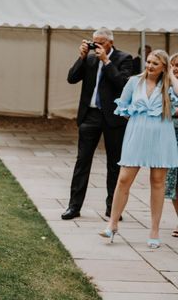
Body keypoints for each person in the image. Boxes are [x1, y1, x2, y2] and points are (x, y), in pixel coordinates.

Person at [99, 50, 178, 248]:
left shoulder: (168, 85)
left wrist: (170, 75)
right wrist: (138, 122)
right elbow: (123, 106)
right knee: (124, 179)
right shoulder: (134, 82)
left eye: (155, 64)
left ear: (164, 67)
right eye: (148, 62)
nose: (150, 66)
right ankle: (112, 223)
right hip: (136, 136)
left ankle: (154, 230)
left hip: (161, 137)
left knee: (158, 182)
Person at [62, 28, 133, 220]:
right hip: (90, 115)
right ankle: (73, 206)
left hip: (113, 117)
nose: (97, 46)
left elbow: (123, 85)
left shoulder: (125, 58)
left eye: (100, 43)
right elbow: (71, 78)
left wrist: (107, 62)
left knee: (114, 164)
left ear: (110, 42)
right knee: (82, 162)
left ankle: (113, 208)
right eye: (94, 42)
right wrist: (82, 57)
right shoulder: (90, 59)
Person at [164, 53, 178, 236]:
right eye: (173, 65)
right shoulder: (166, 86)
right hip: (169, 139)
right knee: (174, 184)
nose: (175, 68)